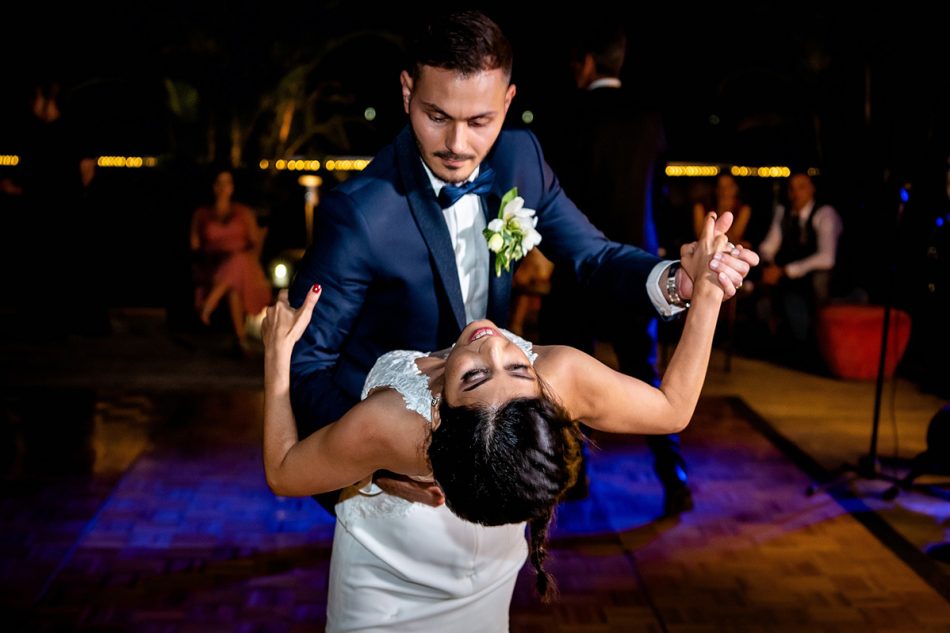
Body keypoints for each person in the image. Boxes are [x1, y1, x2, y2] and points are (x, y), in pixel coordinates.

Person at [287, 10, 758, 517]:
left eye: (480, 121)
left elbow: (593, 256)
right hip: (401, 478)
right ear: (407, 92)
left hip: (500, 462)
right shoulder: (359, 213)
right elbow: (307, 363)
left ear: (508, 101)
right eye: (437, 116)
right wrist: (376, 461)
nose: (457, 145)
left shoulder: (520, 159)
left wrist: (678, 282)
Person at [264, 212, 735, 630]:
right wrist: (709, 290)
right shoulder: (561, 377)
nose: (492, 344)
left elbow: (285, 473)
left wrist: (276, 359)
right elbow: (672, 408)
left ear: (441, 418)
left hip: (394, 594)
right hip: (441, 575)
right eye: (517, 368)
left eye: (473, 377)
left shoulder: (391, 424)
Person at [536, 21, 691, 514]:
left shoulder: (568, 116)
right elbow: (659, 196)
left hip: (580, 268)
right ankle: (675, 477)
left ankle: (573, 478)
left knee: (563, 381)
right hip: (637, 268)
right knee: (644, 374)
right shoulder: (650, 120)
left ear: (585, 62)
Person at [756, 170, 843, 367]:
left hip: (826, 280)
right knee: (765, 280)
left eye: (801, 188)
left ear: (812, 189)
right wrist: (770, 266)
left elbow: (827, 258)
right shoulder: (784, 212)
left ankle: (813, 346)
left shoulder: (824, 213)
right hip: (790, 277)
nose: (796, 194)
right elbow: (768, 247)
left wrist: (786, 270)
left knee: (814, 282)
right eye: (792, 189)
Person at [189, 167, 272, 355]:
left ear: (232, 187)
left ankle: (209, 305)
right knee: (233, 274)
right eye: (219, 183)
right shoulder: (202, 214)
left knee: (237, 263)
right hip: (214, 265)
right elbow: (194, 245)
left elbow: (254, 242)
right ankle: (240, 340)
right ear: (212, 186)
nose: (222, 187)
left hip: (243, 263)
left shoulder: (243, 212)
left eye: (227, 183)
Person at [693, 172, 753, 247]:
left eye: (729, 186)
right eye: (721, 187)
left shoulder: (744, 209)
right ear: (716, 189)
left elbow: (734, 237)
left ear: (736, 188)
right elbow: (701, 237)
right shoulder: (701, 207)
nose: (724, 191)